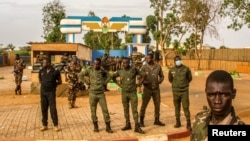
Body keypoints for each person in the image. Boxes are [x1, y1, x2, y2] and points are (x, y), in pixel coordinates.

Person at [190, 70, 245, 141]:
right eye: (211, 95)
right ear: (206, 92)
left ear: (233, 94)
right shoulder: (199, 120)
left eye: (224, 94)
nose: (217, 101)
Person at [78, 58, 113, 133]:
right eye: (95, 64)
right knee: (93, 110)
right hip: (92, 93)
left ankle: (108, 126)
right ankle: (95, 126)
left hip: (101, 94)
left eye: (97, 64)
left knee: (105, 110)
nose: (96, 65)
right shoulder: (90, 69)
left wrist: (104, 82)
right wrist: (87, 83)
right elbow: (80, 75)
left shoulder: (102, 70)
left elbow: (109, 76)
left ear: (100, 64)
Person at [112, 57, 145, 134]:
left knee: (134, 110)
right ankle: (128, 124)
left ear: (129, 62)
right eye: (124, 63)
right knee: (125, 109)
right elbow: (113, 77)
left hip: (132, 93)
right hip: (124, 93)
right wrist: (118, 84)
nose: (125, 64)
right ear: (122, 63)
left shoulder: (134, 69)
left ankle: (137, 126)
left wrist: (139, 83)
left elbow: (143, 75)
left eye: (127, 63)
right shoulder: (120, 71)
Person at [139, 53, 165, 127]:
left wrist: (160, 81)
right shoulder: (144, 67)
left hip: (156, 90)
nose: (147, 60)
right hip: (147, 89)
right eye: (146, 58)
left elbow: (162, 76)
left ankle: (157, 120)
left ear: (152, 58)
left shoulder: (158, 67)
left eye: (149, 58)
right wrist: (143, 82)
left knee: (157, 105)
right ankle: (141, 121)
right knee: (144, 105)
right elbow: (140, 77)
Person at [168, 55, 192, 130]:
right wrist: (176, 85)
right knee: (177, 107)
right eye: (177, 60)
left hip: (184, 91)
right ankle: (178, 122)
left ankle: (188, 123)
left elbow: (189, 78)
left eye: (179, 60)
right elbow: (170, 79)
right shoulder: (171, 70)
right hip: (175, 91)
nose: (178, 61)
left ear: (181, 60)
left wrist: (183, 84)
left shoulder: (186, 69)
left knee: (186, 107)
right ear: (174, 61)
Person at [39, 58, 62, 132]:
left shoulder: (55, 71)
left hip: (51, 93)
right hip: (43, 92)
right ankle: (44, 125)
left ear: (48, 63)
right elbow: (40, 80)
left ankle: (55, 125)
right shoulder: (41, 71)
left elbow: (60, 81)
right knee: (43, 109)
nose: (43, 64)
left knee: (53, 109)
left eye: (44, 63)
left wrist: (53, 86)